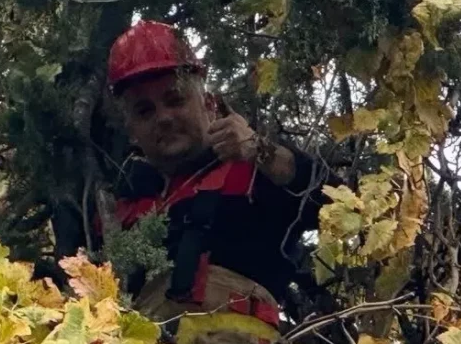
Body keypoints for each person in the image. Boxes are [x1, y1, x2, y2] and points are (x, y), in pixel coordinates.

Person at [106, 20, 331, 344]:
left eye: (175, 99)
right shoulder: (123, 210)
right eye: (145, 111)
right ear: (132, 132)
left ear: (210, 105)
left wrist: (260, 151)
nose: (164, 117)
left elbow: (342, 203)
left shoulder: (252, 172)